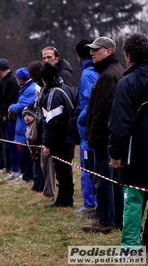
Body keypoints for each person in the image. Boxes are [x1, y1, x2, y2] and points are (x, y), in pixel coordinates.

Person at [108, 33, 148, 249]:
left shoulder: (127, 83)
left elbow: (119, 123)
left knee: (133, 199)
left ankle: (131, 247)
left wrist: (116, 154)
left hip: (137, 152)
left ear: (129, 56)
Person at [82, 36, 124, 234]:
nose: (92, 53)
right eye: (91, 49)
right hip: (110, 137)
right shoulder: (113, 71)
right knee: (113, 180)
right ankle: (115, 218)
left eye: (96, 49)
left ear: (109, 51)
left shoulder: (108, 75)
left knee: (102, 179)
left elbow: (101, 112)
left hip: (104, 139)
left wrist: (93, 137)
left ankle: (106, 220)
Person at [39, 63, 76, 208]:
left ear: (44, 79)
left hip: (60, 138)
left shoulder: (53, 94)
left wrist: (47, 144)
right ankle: (67, 198)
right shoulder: (67, 88)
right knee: (66, 168)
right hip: (69, 136)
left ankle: (63, 200)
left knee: (61, 169)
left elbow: (51, 122)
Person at [74, 39, 99, 215]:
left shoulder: (87, 74)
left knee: (88, 169)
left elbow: (92, 102)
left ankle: (90, 204)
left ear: (78, 56)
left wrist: (80, 120)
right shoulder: (97, 70)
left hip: (88, 133)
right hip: (93, 130)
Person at [28, 61, 56, 199]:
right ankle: (45, 188)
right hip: (42, 127)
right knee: (42, 162)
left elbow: (44, 112)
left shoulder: (46, 90)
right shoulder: (41, 87)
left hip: (45, 129)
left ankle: (49, 190)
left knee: (48, 164)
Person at [8, 67, 37, 184]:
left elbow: (23, 105)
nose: (15, 79)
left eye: (17, 77)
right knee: (24, 152)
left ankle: (27, 176)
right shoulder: (25, 88)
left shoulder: (30, 89)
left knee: (27, 153)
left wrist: (11, 107)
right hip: (21, 124)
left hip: (25, 125)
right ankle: (25, 174)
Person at [0, 59, 19, 182]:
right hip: (7, 118)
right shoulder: (6, 80)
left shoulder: (10, 81)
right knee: (10, 146)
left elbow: (11, 99)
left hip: (11, 119)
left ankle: (16, 170)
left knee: (14, 146)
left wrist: (7, 115)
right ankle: (13, 170)